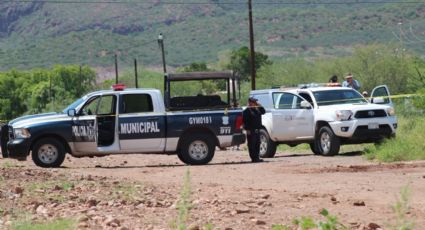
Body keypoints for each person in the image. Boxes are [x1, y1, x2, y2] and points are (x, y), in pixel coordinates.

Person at [243, 97, 266, 163]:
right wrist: (247, 130)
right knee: (251, 145)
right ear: (250, 102)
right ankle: (253, 158)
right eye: (254, 102)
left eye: (255, 102)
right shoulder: (247, 111)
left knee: (257, 144)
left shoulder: (257, 109)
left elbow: (263, 111)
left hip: (258, 130)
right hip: (251, 131)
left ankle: (257, 157)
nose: (255, 103)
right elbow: (245, 121)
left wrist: (260, 105)